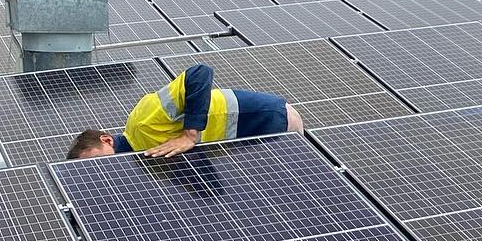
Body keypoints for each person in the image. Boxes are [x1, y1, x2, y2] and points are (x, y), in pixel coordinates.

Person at [66, 63, 305, 160]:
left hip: (268, 119)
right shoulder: (144, 158)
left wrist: (190, 134)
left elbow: (199, 73)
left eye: (96, 159)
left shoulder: (142, 122)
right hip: (248, 138)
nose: (98, 170)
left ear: (106, 139)